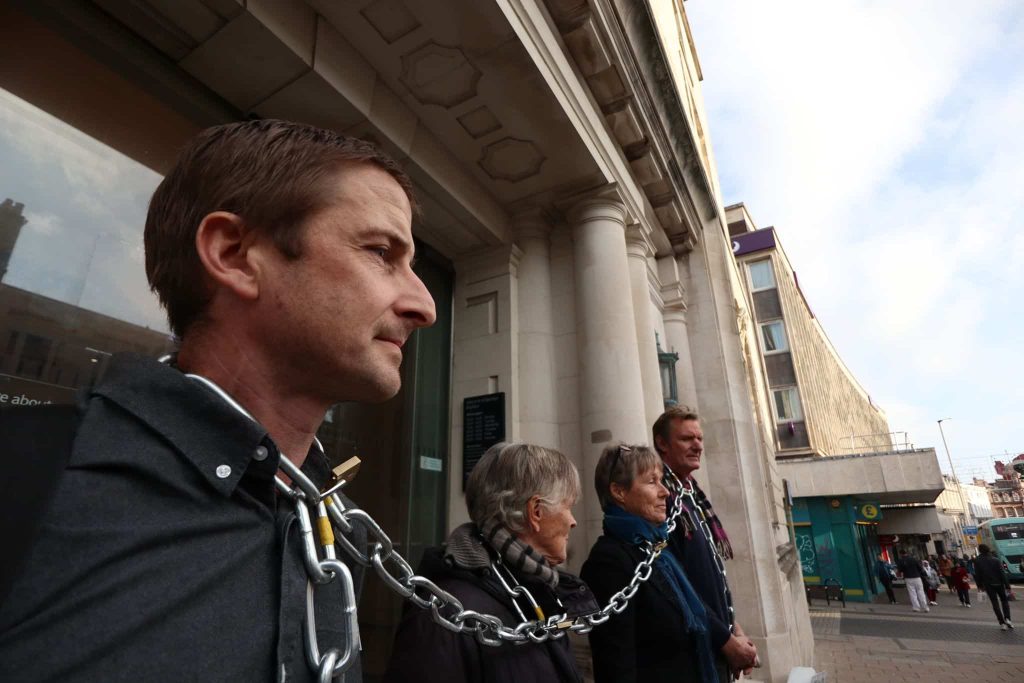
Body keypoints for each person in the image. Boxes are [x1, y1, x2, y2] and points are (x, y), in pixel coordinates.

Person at [0, 119, 437, 681]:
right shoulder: (29, 478)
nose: (424, 306)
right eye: (380, 252)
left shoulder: (335, 529)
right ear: (234, 254)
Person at [384, 442, 596, 682]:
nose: (573, 521)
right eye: (568, 507)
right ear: (536, 511)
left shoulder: (537, 593)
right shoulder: (445, 616)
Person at [581, 444, 718, 683]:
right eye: (652, 482)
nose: (665, 492)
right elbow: (617, 668)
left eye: (662, 480)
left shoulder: (659, 551)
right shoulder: (609, 562)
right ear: (619, 492)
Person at [652, 408, 758, 681]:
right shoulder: (661, 500)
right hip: (692, 657)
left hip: (716, 644)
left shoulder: (692, 495)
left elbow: (710, 579)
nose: (698, 445)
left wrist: (735, 630)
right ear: (662, 443)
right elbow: (677, 586)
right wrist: (727, 642)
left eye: (699, 438)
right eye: (687, 439)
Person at [974, 544, 1013, 630]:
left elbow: (978, 575)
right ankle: (1008, 619)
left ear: (980, 551)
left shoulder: (977, 561)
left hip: (988, 585)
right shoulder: (995, 560)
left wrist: (979, 586)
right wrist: (1007, 586)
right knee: (1004, 601)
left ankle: (1002, 623)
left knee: (995, 603)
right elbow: (1002, 573)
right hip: (999, 584)